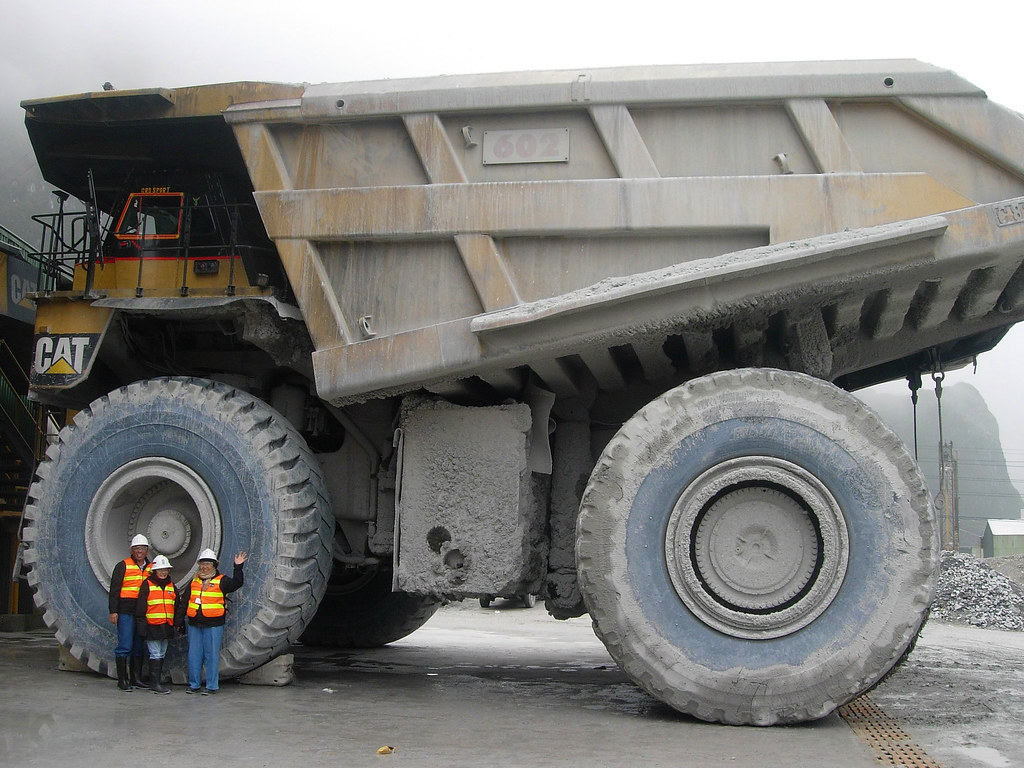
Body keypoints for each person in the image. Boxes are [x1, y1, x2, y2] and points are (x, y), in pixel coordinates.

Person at [185, 548, 247, 695]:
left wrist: (238, 567)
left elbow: (237, 583)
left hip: (213, 624)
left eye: (208, 564)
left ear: (214, 566)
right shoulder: (194, 580)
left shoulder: (222, 581)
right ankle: (194, 685)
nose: (205, 567)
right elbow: (185, 600)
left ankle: (211, 686)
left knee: (211, 655)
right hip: (195, 623)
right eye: (203, 564)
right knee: (194, 655)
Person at [108, 533, 152, 691]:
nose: (139, 551)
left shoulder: (151, 568)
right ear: (131, 550)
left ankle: (136, 678)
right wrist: (113, 611)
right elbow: (114, 590)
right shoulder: (123, 565)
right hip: (126, 611)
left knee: (139, 645)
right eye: (136, 549)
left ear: (147, 550)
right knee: (125, 645)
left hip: (142, 613)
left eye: (142, 549)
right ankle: (122, 680)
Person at [135, 555, 183, 694]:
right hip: (152, 626)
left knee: (161, 653)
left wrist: (177, 624)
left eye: (165, 570)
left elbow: (177, 606)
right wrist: (142, 626)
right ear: (155, 571)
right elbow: (141, 607)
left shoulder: (171, 586)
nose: (163, 572)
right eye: (160, 570)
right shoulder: (147, 585)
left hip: (166, 626)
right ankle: (155, 684)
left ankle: (156, 682)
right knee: (155, 653)